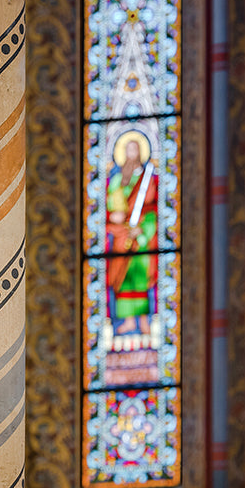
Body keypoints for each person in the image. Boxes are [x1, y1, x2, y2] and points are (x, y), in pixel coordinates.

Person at [105, 131, 158, 340]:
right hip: (121, 236)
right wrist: (116, 217)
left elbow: (153, 207)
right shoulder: (118, 179)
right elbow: (110, 206)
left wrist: (143, 229)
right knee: (122, 277)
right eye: (128, 149)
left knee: (140, 277)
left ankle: (144, 319)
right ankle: (127, 320)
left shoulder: (148, 179)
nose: (131, 153)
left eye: (134, 149)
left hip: (142, 236)